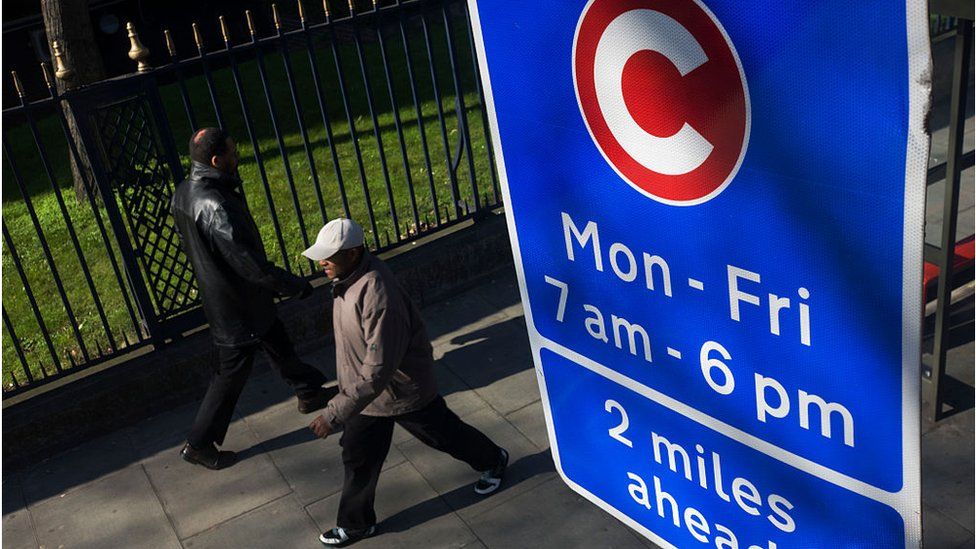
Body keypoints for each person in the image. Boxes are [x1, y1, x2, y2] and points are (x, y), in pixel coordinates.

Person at [304, 218, 509, 547]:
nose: (321, 262)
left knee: (443, 435)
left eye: (329, 255)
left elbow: (378, 367)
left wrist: (333, 413)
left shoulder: (377, 296)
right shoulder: (347, 279)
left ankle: (493, 459)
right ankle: (356, 525)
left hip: (400, 391)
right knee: (358, 457)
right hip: (367, 397)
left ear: (354, 253)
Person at [171, 127, 331, 470]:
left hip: (232, 297)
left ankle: (309, 391)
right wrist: (294, 285)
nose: (237, 156)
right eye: (232, 152)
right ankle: (198, 443)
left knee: (276, 339)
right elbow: (250, 264)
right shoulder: (215, 205)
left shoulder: (184, 192)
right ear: (217, 160)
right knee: (230, 375)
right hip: (237, 304)